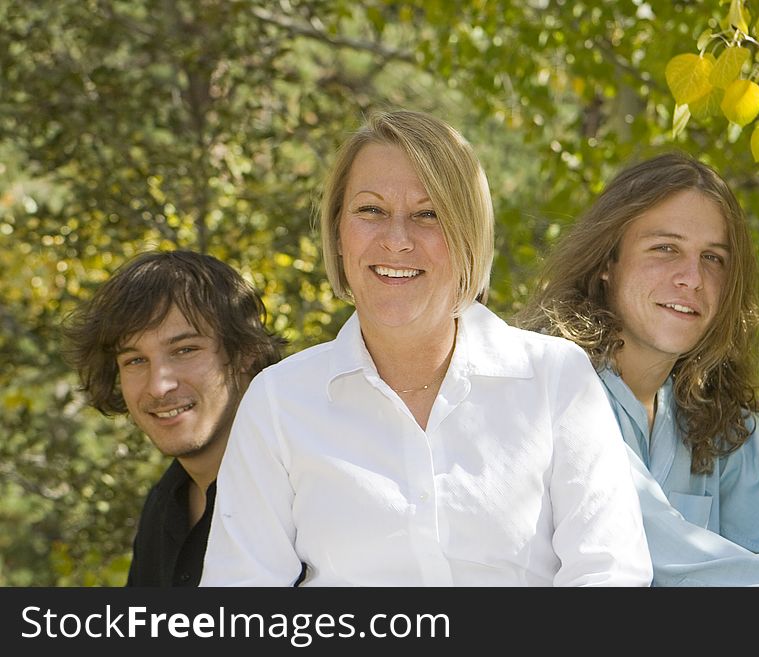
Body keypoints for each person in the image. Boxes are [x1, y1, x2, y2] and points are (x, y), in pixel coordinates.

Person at [200, 109, 651, 586]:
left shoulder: (555, 380)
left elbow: (609, 573)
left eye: (428, 214)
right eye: (370, 211)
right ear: (337, 232)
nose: (396, 240)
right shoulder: (279, 403)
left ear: (468, 238)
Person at [518, 151, 759, 586]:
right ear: (606, 263)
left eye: (713, 258)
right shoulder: (559, 391)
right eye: (665, 248)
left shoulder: (697, 416)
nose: (692, 277)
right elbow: (676, 566)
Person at [62, 250, 286, 586]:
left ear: (245, 354)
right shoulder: (164, 504)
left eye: (185, 350)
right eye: (135, 360)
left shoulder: (303, 489)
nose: (159, 385)